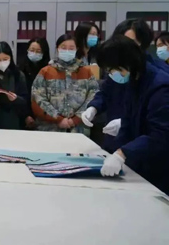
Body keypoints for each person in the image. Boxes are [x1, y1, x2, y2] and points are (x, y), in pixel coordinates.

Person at [94, 35, 169, 194]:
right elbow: (127, 121)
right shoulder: (133, 80)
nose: (111, 74)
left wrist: (123, 154)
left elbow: (161, 134)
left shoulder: (160, 87)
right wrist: (114, 152)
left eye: (111, 69)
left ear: (126, 62)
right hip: (140, 163)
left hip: (160, 168)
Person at [81, 19, 169, 148]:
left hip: (143, 143)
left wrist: (128, 123)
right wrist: (93, 108)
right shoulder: (117, 68)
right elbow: (106, 91)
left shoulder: (157, 77)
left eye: (129, 42)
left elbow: (159, 127)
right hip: (114, 136)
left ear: (142, 42)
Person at [31, 34, 99, 133]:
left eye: (71, 48)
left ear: (76, 49)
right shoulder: (45, 72)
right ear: (57, 49)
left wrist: (76, 118)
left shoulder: (86, 72)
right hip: (49, 129)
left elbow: (93, 96)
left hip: (78, 129)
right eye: (63, 48)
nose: (67, 51)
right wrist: (58, 119)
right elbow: (37, 98)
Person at [19, 38, 51, 129]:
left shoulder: (49, 71)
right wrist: (26, 115)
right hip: (24, 117)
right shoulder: (20, 70)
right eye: (32, 50)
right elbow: (20, 96)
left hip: (46, 118)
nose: (34, 53)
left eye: (38, 51)